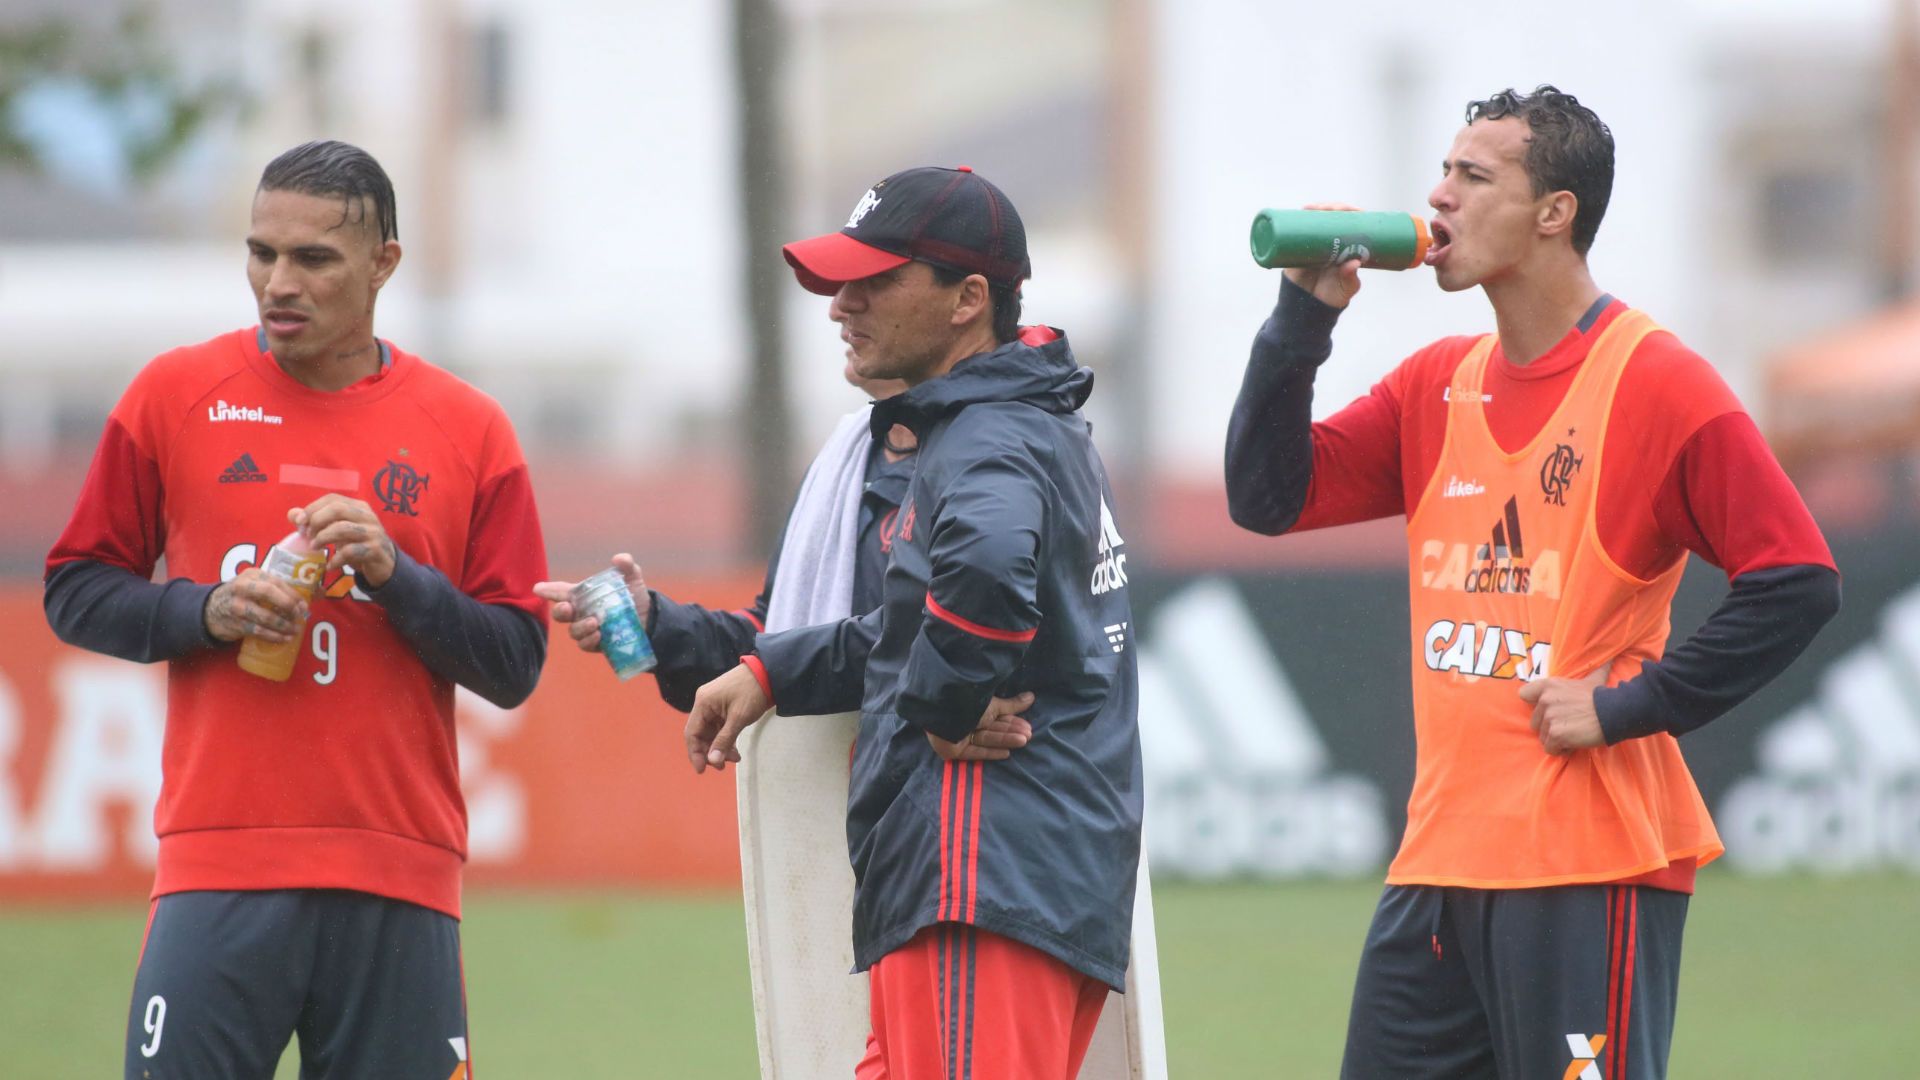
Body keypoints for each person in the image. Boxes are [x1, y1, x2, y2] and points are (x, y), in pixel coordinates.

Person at [1224, 86, 1841, 1079]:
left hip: (1586, 867)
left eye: (1473, 177)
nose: (1439, 195)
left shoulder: (1653, 380)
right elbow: (1265, 497)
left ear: (1555, 212)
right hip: (1436, 870)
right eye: (1444, 172)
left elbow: (1799, 580)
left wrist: (1630, 705)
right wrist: (1303, 315)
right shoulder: (1437, 383)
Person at [44, 140, 548, 1080]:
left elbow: (516, 661)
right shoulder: (173, 396)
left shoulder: (470, 429)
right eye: (261, 252)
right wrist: (208, 612)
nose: (279, 282)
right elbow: (76, 588)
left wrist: (398, 577)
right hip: (218, 868)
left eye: (314, 258)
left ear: (383, 264)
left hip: (400, 876)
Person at [684, 165, 1143, 1080]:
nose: (840, 307)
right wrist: (775, 668)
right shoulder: (1013, 423)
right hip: (993, 880)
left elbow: (986, 575)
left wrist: (939, 705)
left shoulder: (987, 435)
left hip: (978, 874)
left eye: (876, 281)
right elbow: (916, 619)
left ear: (968, 299)